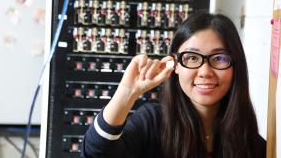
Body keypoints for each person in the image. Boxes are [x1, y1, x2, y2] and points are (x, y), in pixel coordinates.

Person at [81, 12, 266, 158]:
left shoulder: (252, 143)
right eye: (192, 58)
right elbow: (96, 153)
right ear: (175, 65)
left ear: (236, 65)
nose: (205, 71)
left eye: (219, 58)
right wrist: (126, 93)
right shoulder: (152, 123)